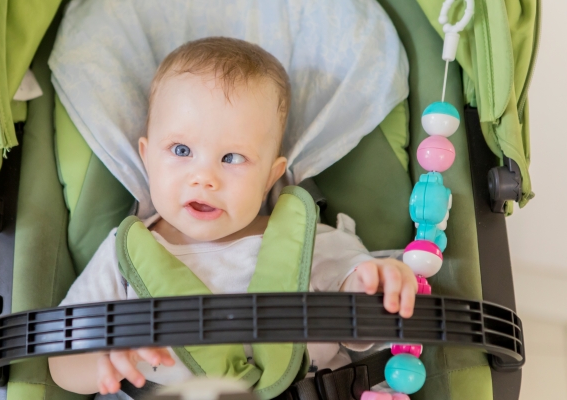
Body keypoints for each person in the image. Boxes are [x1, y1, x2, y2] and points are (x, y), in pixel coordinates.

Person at [48, 37, 418, 397]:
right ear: (146, 158)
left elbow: (359, 322)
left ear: (271, 176)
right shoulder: (122, 256)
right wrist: (104, 362)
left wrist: (377, 285)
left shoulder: (310, 243)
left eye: (231, 158)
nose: (204, 177)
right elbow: (60, 363)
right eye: (181, 150)